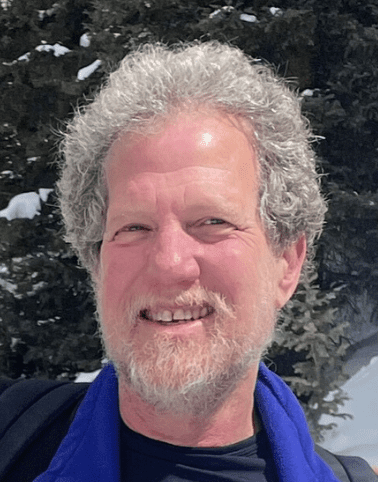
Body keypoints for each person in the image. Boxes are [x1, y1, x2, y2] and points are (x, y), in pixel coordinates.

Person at [1, 41, 377, 481]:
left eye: (212, 221)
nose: (169, 263)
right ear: (97, 263)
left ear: (286, 263)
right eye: (134, 227)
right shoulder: (15, 443)